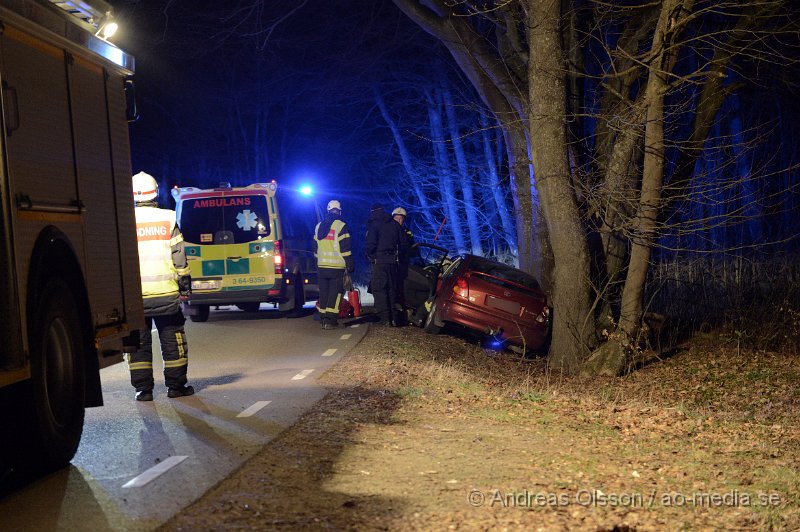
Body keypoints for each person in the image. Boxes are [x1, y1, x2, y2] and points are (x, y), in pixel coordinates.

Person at [129, 171, 194, 401]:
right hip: (166, 294)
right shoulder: (167, 219)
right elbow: (180, 259)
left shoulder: (124, 221)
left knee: (138, 345)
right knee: (173, 340)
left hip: (135, 299)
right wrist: (185, 286)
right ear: (155, 192)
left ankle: (143, 390)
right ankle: (176, 387)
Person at [314, 200, 355, 330]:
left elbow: (315, 249)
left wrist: (319, 261)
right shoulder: (341, 226)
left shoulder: (318, 226)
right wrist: (350, 264)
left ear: (328, 211)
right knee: (335, 294)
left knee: (324, 294)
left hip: (321, 267)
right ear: (339, 211)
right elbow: (346, 249)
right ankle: (331, 321)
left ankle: (323, 320)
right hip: (336, 268)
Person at [366, 203, 408, 325]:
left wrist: (372, 255)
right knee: (391, 290)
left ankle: (384, 319)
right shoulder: (395, 225)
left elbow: (370, 244)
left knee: (379, 289)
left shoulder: (374, 224)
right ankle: (393, 318)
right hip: (393, 262)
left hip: (380, 261)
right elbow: (404, 244)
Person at [392, 207, 418, 319]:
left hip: (403, 263)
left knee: (403, 286)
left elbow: (413, 248)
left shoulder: (407, 232)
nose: (398, 220)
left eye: (400, 218)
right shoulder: (388, 231)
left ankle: (403, 307)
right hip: (391, 262)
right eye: (396, 217)